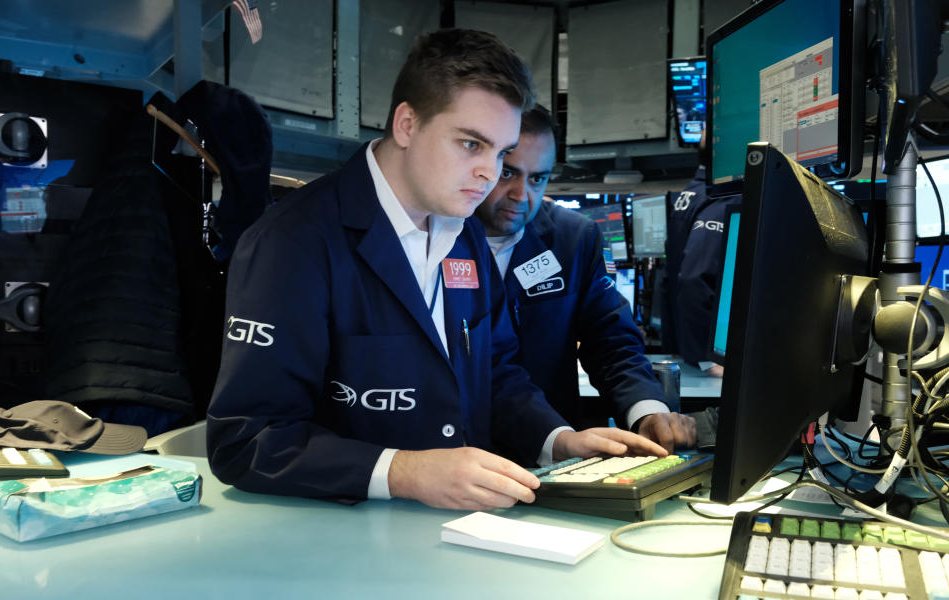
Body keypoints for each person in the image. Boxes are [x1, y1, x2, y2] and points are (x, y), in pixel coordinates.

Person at [206, 29, 667, 512]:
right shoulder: (292, 241)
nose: (489, 173)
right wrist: (404, 471)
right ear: (407, 124)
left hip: (457, 536)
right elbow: (247, 441)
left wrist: (558, 441)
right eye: (471, 144)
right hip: (343, 544)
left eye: (500, 153)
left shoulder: (460, 229)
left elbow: (498, 373)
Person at [472, 106, 695, 453]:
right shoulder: (438, 234)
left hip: (554, 454)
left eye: (537, 179)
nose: (521, 195)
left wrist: (647, 410)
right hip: (456, 456)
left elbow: (610, 340)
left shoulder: (572, 238)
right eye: (507, 174)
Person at [663, 130, 740, 376]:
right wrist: (708, 360)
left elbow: (668, 278)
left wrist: (676, 345)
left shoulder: (692, 193)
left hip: (687, 353)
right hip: (707, 362)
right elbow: (693, 278)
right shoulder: (724, 197)